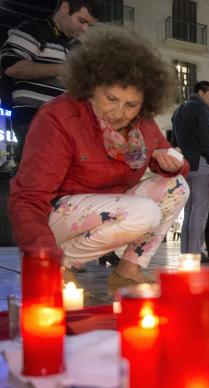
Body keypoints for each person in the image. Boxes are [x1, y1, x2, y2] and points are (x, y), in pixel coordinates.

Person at [8, 26, 189, 291]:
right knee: (144, 212)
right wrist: (43, 255)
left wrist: (172, 161)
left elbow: (179, 167)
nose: (119, 113)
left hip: (111, 211)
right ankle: (57, 266)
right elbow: (28, 197)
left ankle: (128, 270)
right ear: (91, 85)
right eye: (111, 99)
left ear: (145, 103)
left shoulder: (142, 123)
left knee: (177, 188)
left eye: (131, 105)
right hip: (55, 217)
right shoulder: (58, 117)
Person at [0, 0, 97, 159]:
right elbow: (12, 67)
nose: (85, 29)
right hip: (34, 118)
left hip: (68, 123)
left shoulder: (77, 45)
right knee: (38, 175)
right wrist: (64, 69)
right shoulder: (33, 30)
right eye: (82, 21)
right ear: (65, 8)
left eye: (89, 25)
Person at [171, 80, 209, 262]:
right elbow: (207, 137)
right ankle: (195, 254)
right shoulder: (201, 109)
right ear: (200, 93)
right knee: (200, 212)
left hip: (185, 166)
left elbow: (174, 141)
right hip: (203, 164)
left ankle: (187, 253)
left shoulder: (178, 111)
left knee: (190, 211)